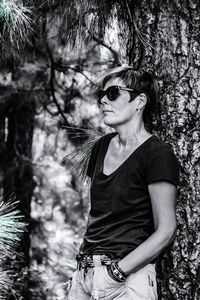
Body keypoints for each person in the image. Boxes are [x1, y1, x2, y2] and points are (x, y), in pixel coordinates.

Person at [68, 66, 179, 300]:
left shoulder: (157, 154)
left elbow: (166, 230)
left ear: (140, 101)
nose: (103, 102)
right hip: (85, 278)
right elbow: (100, 215)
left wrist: (115, 273)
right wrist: (83, 273)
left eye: (113, 93)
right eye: (102, 96)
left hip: (126, 280)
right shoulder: (101, 147)